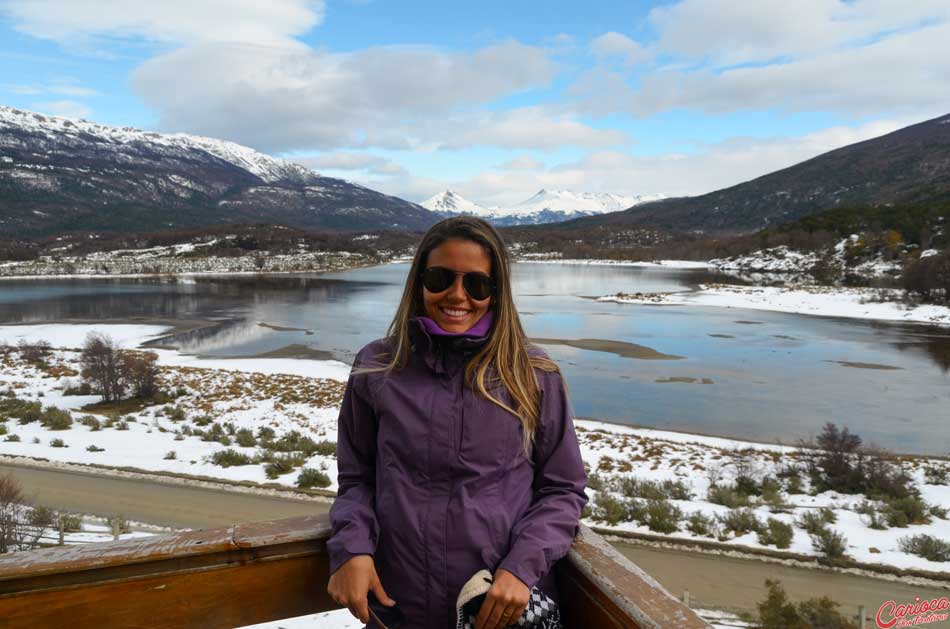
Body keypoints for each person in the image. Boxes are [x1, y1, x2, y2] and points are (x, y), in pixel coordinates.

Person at [326, 216, 588, 629]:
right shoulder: (378, 367)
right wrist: (352, 547)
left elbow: (562, 489)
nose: (457, 296)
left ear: (496, 293)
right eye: (440, 278)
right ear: (419, 282)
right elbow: (358, 478)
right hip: (397, 605)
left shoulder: (531, 373)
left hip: (495, 611)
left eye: (477, 284)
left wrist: (521, 567)